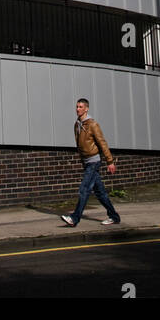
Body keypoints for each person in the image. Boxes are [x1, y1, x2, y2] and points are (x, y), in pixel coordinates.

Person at [61, 97, 120, 227]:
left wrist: (110, 161)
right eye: (77, 107)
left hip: (94, 161)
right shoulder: (77, 124)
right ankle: (114, 216)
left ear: (86, 109)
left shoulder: (93, 124)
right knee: (100, 192)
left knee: (84, 189)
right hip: (87, 162)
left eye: (80, 107)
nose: (78, 109)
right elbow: (80, 145)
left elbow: (102, 143)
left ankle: (74, 218)